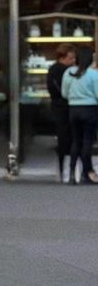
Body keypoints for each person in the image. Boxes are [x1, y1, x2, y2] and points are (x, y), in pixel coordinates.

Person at [61, 46, 98, 184]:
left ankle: (71, 173)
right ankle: (86, 173)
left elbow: (64, 93)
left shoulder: (68, 72)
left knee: (76, 140)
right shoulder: (93, 74)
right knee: (87, 141)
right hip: (90, 109)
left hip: (73, 109)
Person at [47, 44, 76, 182]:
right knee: (67, 138)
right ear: (62, 58)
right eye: (70, 58)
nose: (73, 61)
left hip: (58, 107)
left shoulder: (53, 70)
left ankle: (62, 168)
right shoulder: (63, 71)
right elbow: (62, 90)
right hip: (64, 107)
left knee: (64, 137)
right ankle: (67, 168)